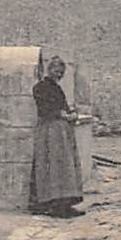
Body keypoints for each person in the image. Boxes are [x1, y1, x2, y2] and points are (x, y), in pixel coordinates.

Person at [30, 56, 87, 219]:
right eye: (56, 71)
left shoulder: (57, 88)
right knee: (53, 166)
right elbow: (45, 110)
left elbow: (64, 107)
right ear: (49, 70)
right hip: (49, 132)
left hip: (62, 132)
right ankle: (52, 204)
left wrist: (71, 113)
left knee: (65, 167)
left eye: (61, 72)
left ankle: (65, 204)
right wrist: (61, 114)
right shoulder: (40, 88)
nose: (59, 74)